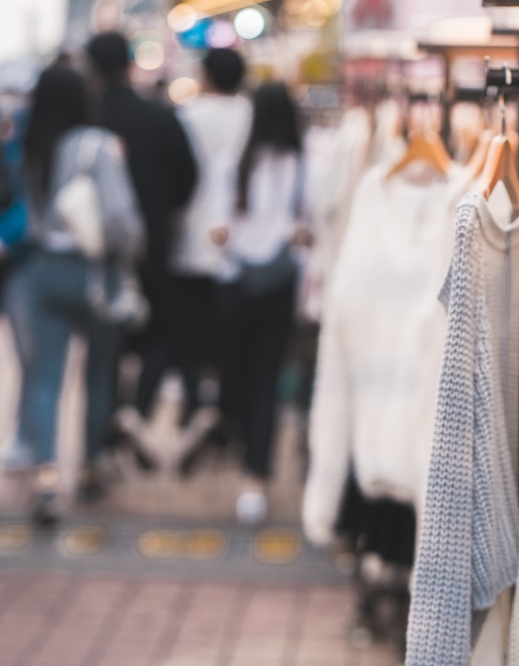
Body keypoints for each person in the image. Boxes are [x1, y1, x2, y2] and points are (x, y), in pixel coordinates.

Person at [4, 64, 144, 524]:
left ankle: (46, 478)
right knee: (98, 374)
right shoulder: (98, 145)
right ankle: (87, 468)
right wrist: (131, 248)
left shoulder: (30, 146)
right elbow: (121, 217)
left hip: (44, 269)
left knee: (46, 377)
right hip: (94, 273)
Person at [85, 32, 198, 463]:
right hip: (154, 247)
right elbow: (189, 177)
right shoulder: (159, 117)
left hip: (98, 252)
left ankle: (101, 441)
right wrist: (161, 212)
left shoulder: (90, 120)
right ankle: (134, 418)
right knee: (157, 337)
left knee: (104, 351)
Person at [213, 83, 305, 524]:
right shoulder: (304, 166)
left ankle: (247, 460)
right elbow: (308, 231)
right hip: (278, 285)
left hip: (236, 283)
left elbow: (218, 230)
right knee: (265, 380)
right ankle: (256, 476)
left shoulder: (234, 164)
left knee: (238, 377)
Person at [160, 48, 250, 453]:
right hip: (237, 241)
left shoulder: (186, 116)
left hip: (189, 238)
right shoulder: (251, 116)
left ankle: (194, 410)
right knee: (229, 343)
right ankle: (226, 420)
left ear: (207, 76)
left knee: (190, 337)